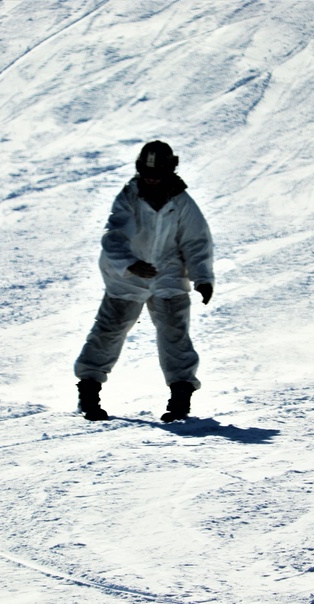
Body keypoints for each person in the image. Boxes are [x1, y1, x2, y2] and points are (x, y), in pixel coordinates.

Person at [74, 140, 214, 422]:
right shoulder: (129, 196)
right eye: (145, 171)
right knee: (109, 330)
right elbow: (114, 235)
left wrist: (202, 278)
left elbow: (195, 242)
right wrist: (130, 264)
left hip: (168, 276)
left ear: (170, 171)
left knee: (174, 334)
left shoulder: (181, 202)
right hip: (126, 278)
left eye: (158, 172)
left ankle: (180, 397)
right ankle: (89, 391)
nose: (151, 177)